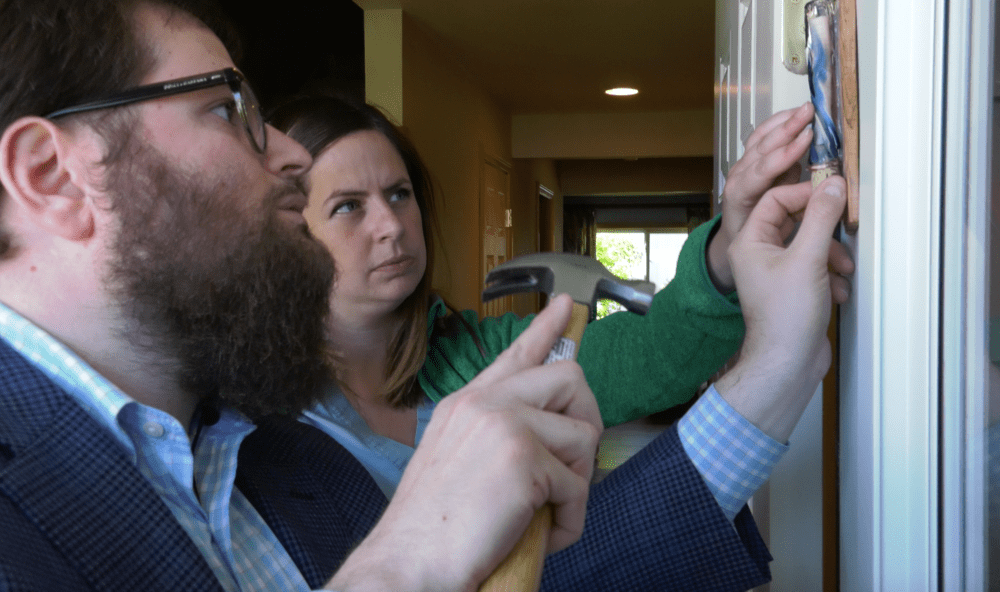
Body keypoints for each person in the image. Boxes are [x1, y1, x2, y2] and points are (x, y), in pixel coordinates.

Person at [0, 1, 853, 591]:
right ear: (52, 176)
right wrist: (398, 569)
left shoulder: (274, 453)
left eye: (399, 195)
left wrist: (772, 371)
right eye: (230, 110)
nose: (290, 159)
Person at [268, 94, 838, 499]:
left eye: (399, 194)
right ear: (287, 232)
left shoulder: (482, 354)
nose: (391, 225)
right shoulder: (257, 422)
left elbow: (652, 353)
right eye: (348, 207)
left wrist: (727, 255)